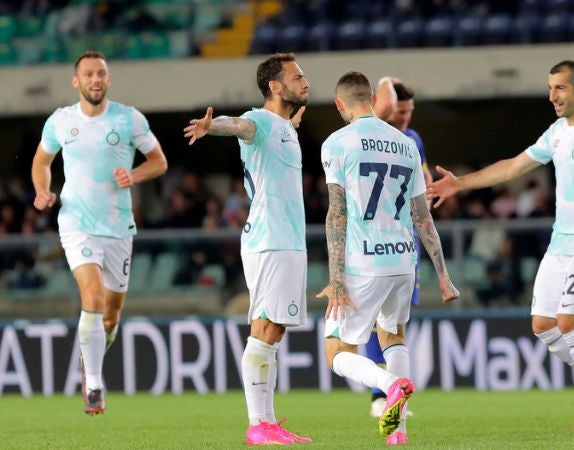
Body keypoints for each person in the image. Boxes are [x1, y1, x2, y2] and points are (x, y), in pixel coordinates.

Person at [428, 60, 574, 430]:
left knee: (569, 322)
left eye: (560, 88)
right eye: (550, 88)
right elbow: (514, 166)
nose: (552, 96)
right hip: (561, 242)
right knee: (544, 326)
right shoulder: (557, 132)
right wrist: (459, 183)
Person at [316, 71, 459, 446]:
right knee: (393, 337)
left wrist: (335, 277)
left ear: (340, 104)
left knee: (335, 350)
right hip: (404, 262)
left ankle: (388, 385)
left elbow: (337, 213)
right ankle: (398, 434)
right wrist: (443, 276)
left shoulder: (337, 143)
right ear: (370, 98)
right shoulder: (406, 144)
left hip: (365, 262)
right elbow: (423, 217)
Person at [183, 53, 311, 446]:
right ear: (274, 86)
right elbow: (238, 125)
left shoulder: (283, 126)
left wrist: (292, 121)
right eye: (297, 76)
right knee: (264, 329)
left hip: (285, 240)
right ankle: (258, 424)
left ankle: (268, 422)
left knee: (273, 331)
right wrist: (212, 125)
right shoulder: (261, 121)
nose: (306, 82)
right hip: (271, 240)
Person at [31, 51, 168, 415]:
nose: (96, 79)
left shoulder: (128, 118)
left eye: (101, 74)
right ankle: (93, 383)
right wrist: (43, 191)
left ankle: (89, 356)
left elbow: (159, 161)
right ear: (76, 81)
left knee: (109, 318)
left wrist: (134, 175)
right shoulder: (60, 121)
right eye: (89, 74)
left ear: (108, 80)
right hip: (77, 223)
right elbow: (42, 161)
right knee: (91, 297)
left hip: (118, 228)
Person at [364, 76, 433, 417]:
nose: (405, 118)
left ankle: (392, 394)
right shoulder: (373, 134)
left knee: (399, 318)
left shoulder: (414, 139)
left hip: (407, 242)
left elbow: (423, 183)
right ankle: (380, 393)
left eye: (410, 112)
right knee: (378, 318)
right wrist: (386, 83)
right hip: (373, 242)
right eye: (400, 110)